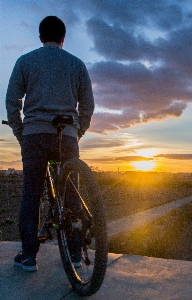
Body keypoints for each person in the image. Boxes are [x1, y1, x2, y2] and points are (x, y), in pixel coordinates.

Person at [6, 16, 94, 271]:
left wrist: (20, 132)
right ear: (63, 38)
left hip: (34, 134)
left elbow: (13, 101)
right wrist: (77, 132)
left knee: (31, 194)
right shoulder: (76, 64)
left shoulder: (25, 61)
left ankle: (29, 256)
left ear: (41, 36)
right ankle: (76, 253)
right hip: (66, 136)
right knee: (71, 195)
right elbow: (87, 104)